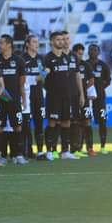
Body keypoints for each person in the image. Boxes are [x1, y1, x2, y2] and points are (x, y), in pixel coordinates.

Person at [0, 35, 28, 165]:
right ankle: (2, 155)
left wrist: (24, 99)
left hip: (15, 100)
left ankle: (18, 154)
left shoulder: (19, 61)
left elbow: (22, 82)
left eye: (1, 43)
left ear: (9, 45)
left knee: (17, 126)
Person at [40, 32, 75, 160]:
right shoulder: (47, 58)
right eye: (58, 40)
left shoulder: (65, 58)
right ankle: (49, 151)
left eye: (62, 39)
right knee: (52, 122)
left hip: (66, 95)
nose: (61, 42)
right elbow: (42, 76)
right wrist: (44, 74)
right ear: (52, 42)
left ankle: (65, 151)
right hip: (53, 96)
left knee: (66, 122)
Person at [62, 31, 85, 157]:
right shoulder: (58, 57)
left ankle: (74, 149)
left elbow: (78, 76)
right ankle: (59, 149)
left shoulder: (74, 57)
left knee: (75, 121)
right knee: (62, 121)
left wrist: (81, 94)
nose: (65, 41)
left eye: (67, 38)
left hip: (74, 94)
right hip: (61, 95)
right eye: (63, 39)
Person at [21, 35, 44, 158]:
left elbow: (43, 73)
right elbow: (21, 77)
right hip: (26, 95)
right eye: (34, 42)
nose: (37, 44)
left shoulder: (40, 59)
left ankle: (40, 150)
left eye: (37, 42)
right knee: (26, 123)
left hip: (39, 95)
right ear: (27, 44)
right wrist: (33, 78)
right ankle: (27, 150)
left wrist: (43, 75)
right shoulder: (22, 58)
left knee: (39, 122)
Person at [87, 44, 111, 154]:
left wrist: (99, 89)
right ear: (88, 52)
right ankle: (88, 147)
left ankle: (103, 146)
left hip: (100, 99)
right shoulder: (84, 64)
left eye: (95, 50)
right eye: (91, 50)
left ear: (99, 52)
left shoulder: (103, 65)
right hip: (86, 99)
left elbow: (108, 80)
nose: (93, 52)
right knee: (85, 122)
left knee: (102, 122)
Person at [73, 44, 94, 157]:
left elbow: (91, 80)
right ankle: (77, 148)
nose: (80, 56)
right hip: (72, 98)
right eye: (78, 54)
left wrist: (85, 89)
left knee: (86, 121)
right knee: (75, 122)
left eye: (81, 54)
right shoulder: (70, 64)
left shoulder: (86, 65)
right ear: (74, 53)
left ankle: (90, 148)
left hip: (84, 98)